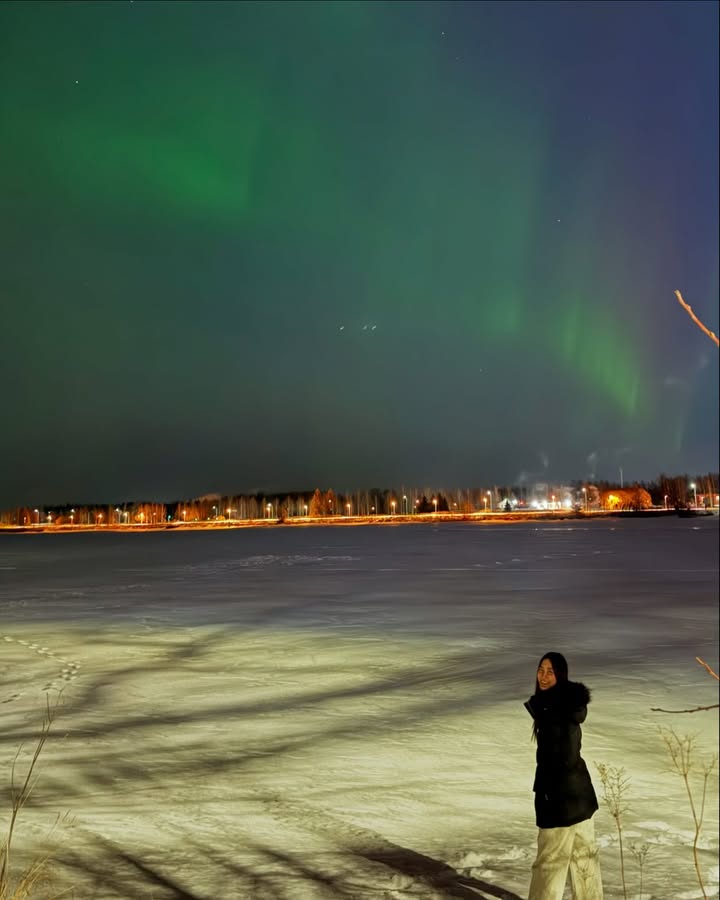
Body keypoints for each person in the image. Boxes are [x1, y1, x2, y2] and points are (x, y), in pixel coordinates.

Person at [524, 652, 603, 900]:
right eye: (541, 670)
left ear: (561, 675)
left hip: (560, 798)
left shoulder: (555, 712)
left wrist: (550, 793)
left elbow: (563, 757)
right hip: (579, 796)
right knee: (584, 858)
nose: (544, 676)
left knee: (549, 863)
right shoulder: (561, 706)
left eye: (551, 671)